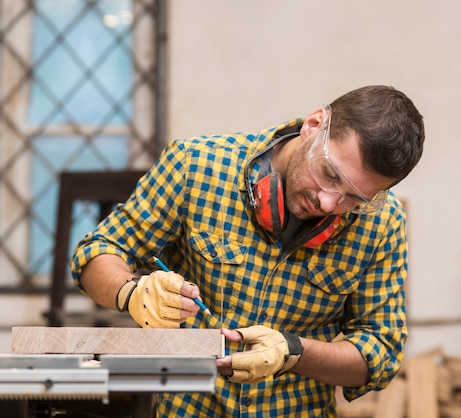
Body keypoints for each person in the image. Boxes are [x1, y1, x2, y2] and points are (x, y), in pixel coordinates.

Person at [71, 85, 425, 417]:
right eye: (330, 174)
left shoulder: (383, 224)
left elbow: (380, 353)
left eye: (355, 199)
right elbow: (98, 251)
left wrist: (293, 352)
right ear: (314, 124)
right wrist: (132, 292)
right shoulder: (196, 167)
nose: (329, 202)